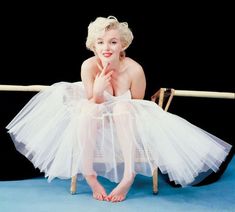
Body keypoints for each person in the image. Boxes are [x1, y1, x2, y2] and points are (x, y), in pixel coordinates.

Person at [6, 16, 232, 203]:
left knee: (123, 106)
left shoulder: (134, 70)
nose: (106, 47)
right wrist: (99, 90)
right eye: (100, 42)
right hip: (95, 118)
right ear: (93, 45)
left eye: (113, 42)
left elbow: (139, 104)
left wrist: (115, 105)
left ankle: (128, 175)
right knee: (89, 110)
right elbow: (92, 100)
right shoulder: (88, 66)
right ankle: (90, 174)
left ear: (122, 45)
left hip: (125, 121)